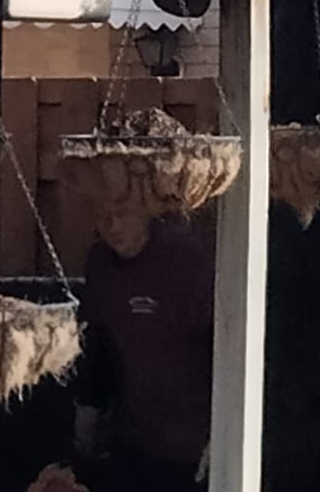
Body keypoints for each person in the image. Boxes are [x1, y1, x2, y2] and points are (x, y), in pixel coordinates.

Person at [73, 204, 215, 492]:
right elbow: (97, 342)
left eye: (122, 213)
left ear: (146, 211)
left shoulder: (184, 259)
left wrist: (222, 432)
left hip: (193, 440)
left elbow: (219, 340)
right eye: (103, 216)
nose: (112, 225)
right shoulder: (100, 263)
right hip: (134, 436)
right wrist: (87, 413)